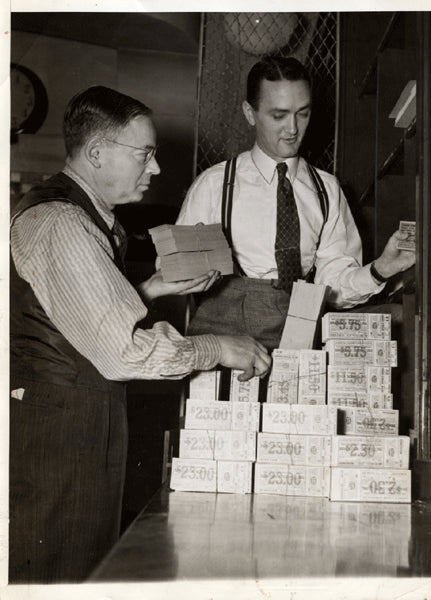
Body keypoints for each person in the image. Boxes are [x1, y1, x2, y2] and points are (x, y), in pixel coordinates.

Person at [9, 85, 271, 583]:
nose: (154, 168)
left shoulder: (83, 218)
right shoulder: (62, 222)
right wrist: (219, 347)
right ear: (96, 152)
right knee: (60, 574)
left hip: (74, 425)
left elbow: (73, 315)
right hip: (58, 439)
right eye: (145, 153)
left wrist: (150, 287)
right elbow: (124, 355)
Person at [176, 56, 416, 350]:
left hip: (298, 338)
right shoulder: (214, 185)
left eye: (302, 114)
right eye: (279, 115)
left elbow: (334, 287)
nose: (292, 128)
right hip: (224, 342)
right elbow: (177, 274)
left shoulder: (326, 189)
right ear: (250, 113)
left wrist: (380, 269)